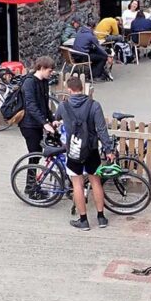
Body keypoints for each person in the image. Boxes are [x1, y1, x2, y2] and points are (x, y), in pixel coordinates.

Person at [58, 75, 116, 230]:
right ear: (82, 88)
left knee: (77, 183)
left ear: (69, 90)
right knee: (95, 181)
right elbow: (102, 129)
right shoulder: (94, 105)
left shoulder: (64, 106)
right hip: (91, 149)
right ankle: (101, 217)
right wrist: (108, 149)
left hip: (74, 149)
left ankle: (83, 220)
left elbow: (56, 118)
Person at [19, 56, 58, 189]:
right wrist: (44, 123)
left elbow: (44, 105)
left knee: (37, 153)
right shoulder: (29, 83)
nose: (51, 73)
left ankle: (33, 185)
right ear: (41, 68)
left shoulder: (44, 82)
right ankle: (30, 187)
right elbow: (31, 106)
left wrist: (52, 120)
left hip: (37, 123)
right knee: (34, 154)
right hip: (28, 124)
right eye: (49, 70)